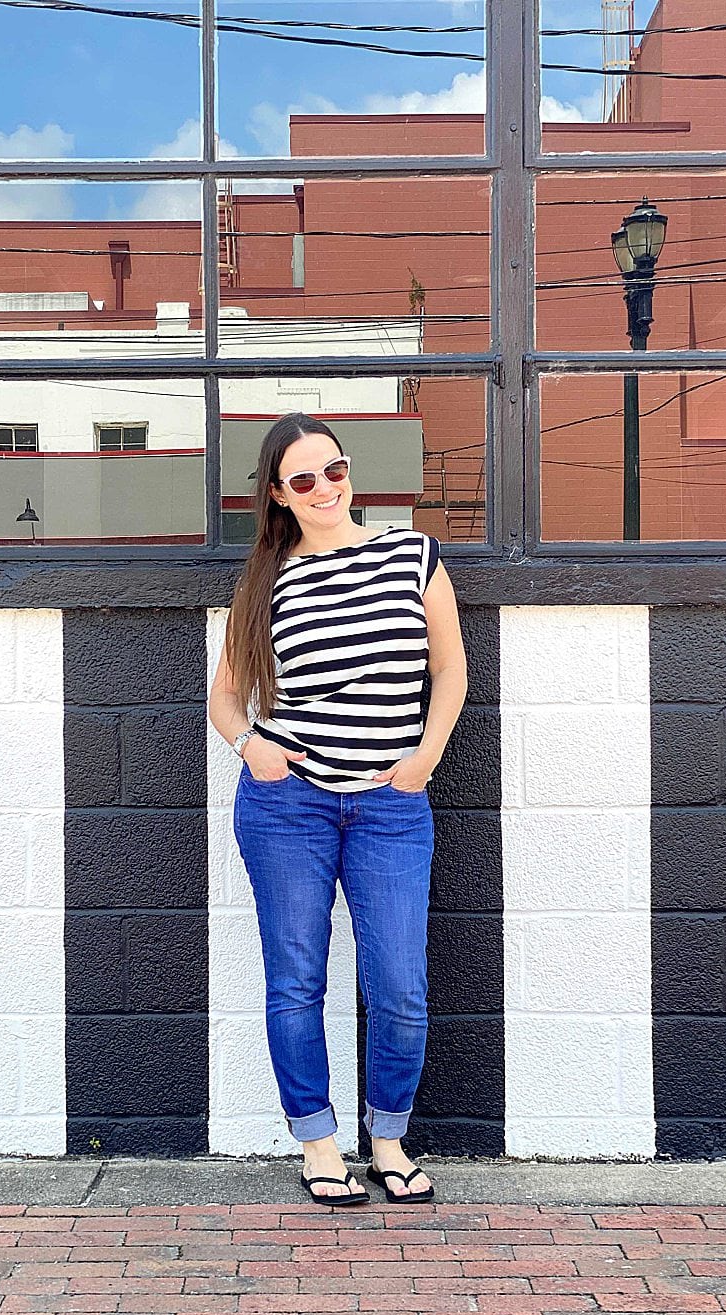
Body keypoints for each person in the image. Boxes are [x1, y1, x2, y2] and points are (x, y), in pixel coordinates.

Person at [208, 412, 468, 1205]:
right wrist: (252, 745)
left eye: (335, 469)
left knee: (399, 983)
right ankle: (319, 1143)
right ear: (279, 496)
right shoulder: (265, 579)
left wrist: (422, 762)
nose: (325, 487)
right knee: (296, 979)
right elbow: (224, 696)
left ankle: (387, 1139)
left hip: (391, 805)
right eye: (304, 479)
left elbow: (450, 674)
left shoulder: (410, 554)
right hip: (290, 804)